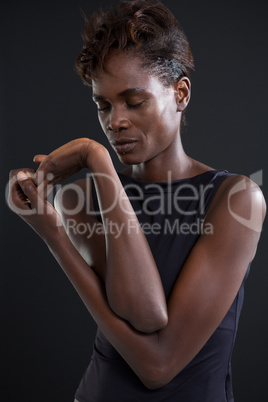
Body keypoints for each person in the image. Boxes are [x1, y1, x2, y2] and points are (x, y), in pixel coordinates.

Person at [7, 0, 266, 400]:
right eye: (103, 105)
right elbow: (140, 310)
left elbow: (157, 365)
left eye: (134, 101)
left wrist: (94, 161)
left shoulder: (236, 200)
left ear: (180, 93)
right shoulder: (81, 199)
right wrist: (57, 228)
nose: (116, 121)